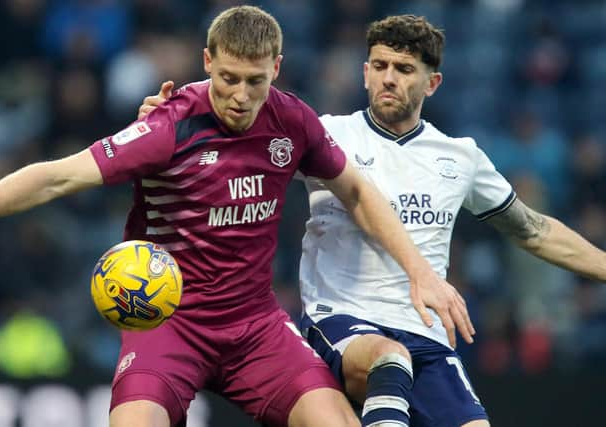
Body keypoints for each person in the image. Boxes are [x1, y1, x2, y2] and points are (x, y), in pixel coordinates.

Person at [0, 7, 475, 427]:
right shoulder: (170, 125)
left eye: (255, 81)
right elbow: (56, 176)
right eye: (228, 78)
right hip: (166, 321)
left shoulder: (292, 120)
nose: (239, 95)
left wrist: (421, 272)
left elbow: (359, 193)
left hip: (254, 324)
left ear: (276, 67)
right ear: (207, 61)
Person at [140, 14, 606, 427]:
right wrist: (164, 122)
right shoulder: (325, 134)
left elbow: (533, 229)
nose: (388, 78)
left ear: (433, 83)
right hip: (343, 324)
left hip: (426, 337)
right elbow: (234, 135)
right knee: (390, 359)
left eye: (404, 70)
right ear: (364, 73)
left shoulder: (460, 156)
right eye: (379, 66)